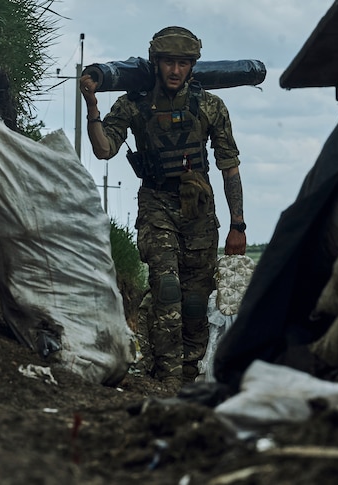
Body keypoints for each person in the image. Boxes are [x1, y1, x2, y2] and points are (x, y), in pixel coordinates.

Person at [79, 26, 247, 391]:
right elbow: (104, 148)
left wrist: (239, 224)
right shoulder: (134, 103)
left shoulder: (209, 105)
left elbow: (229, 166)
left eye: (183, 63)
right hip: (156, 202)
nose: (175, 70)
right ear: (155, 63)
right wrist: (92, 108)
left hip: (199, 209)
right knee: (167, 286)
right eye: (169, 62)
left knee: (196, 298)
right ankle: (167, 376)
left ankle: (186, 373)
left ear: (192, 66)